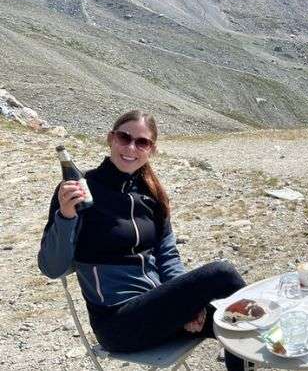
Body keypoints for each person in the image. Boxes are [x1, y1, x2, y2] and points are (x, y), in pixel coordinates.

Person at [38, 110, 246, 370]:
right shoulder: (81, 190)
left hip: (159, 309)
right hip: (118, 323)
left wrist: (190, 307)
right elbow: (52, 268)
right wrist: (66, 215)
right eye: (124, 138)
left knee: (239, 325)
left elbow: (168, 256)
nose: (131, 148)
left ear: (152, 149)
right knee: (222, 274)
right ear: (110, 139)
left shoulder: (151, 194)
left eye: (142, 142)